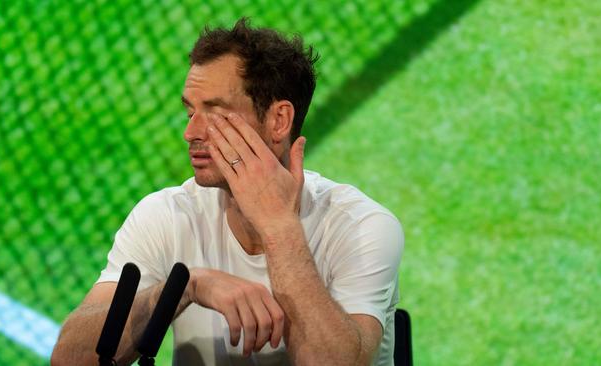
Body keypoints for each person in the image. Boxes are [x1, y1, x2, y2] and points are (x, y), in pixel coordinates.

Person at [52, 18, 403, 366]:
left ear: (278, 121)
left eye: (215, 113)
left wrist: (279, 227)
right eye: (190, 111)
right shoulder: (167, 215)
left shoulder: (361, 227)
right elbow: (69, 359)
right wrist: (186, 287)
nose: (191, 133)